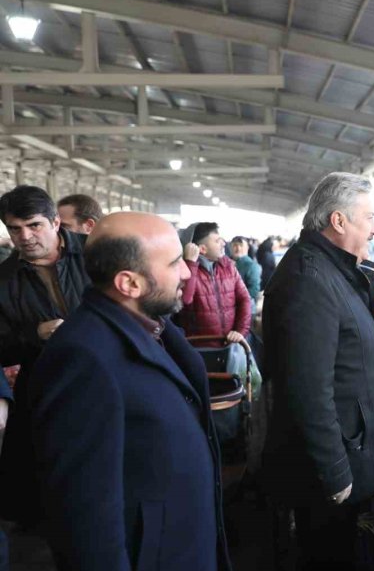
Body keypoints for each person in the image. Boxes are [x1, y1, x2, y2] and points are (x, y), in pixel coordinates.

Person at [29, 212, 231, 571]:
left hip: (182, 544)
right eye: (174, 263)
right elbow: (84, 514)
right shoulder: (83, 359)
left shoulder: (155, 328)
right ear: (129, 283)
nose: (187, 272)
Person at [262, 172, 374, 570]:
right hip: (331, 475)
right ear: (338, 221)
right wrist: (335, 473)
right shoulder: (309, 279)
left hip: (351, 453)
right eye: (369, 218)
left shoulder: (329, 267)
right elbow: (307, 389)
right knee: (330, 556)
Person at [0, 185, 91, 525]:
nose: (24, 236)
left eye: (33, 225)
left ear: (55, 222)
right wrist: (33, 334)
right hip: (49, 388)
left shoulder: (97, 254)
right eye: (14, 228)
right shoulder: (5, 280)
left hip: (112, 378)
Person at [177, 222, 251, 346]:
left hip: (230, 344)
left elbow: (244, 299)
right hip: (198, 347)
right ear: (202, 249)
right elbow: (185, 299)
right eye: (217, 241)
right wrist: (190, 263)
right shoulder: (184, 269)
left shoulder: (228, 267)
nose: (223, 244)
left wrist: (240, 331)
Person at [230, 236, 262, 307]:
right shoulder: (226, 263)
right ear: (230, 247)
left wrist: (236, 301)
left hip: (245, 308)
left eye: (241, 245)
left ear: (247, 248)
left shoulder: (252, 265)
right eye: (235, 245)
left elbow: (254, 289)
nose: (238, 248)